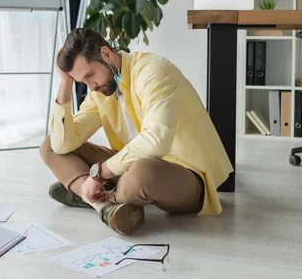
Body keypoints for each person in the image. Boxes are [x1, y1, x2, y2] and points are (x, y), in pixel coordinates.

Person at [40, 28, 233, 235]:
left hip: (187, 175)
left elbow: (156, 141)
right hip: (130, 168)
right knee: (50, 146)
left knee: (142, 173)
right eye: (82, 82)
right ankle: (104, 205)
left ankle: (88, 191)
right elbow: (63, 144)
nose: (91, 86)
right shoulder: (100, 91)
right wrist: (65, 84)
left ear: (106, 54)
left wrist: (98, 175)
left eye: (90, 75)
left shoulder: (153, 70)